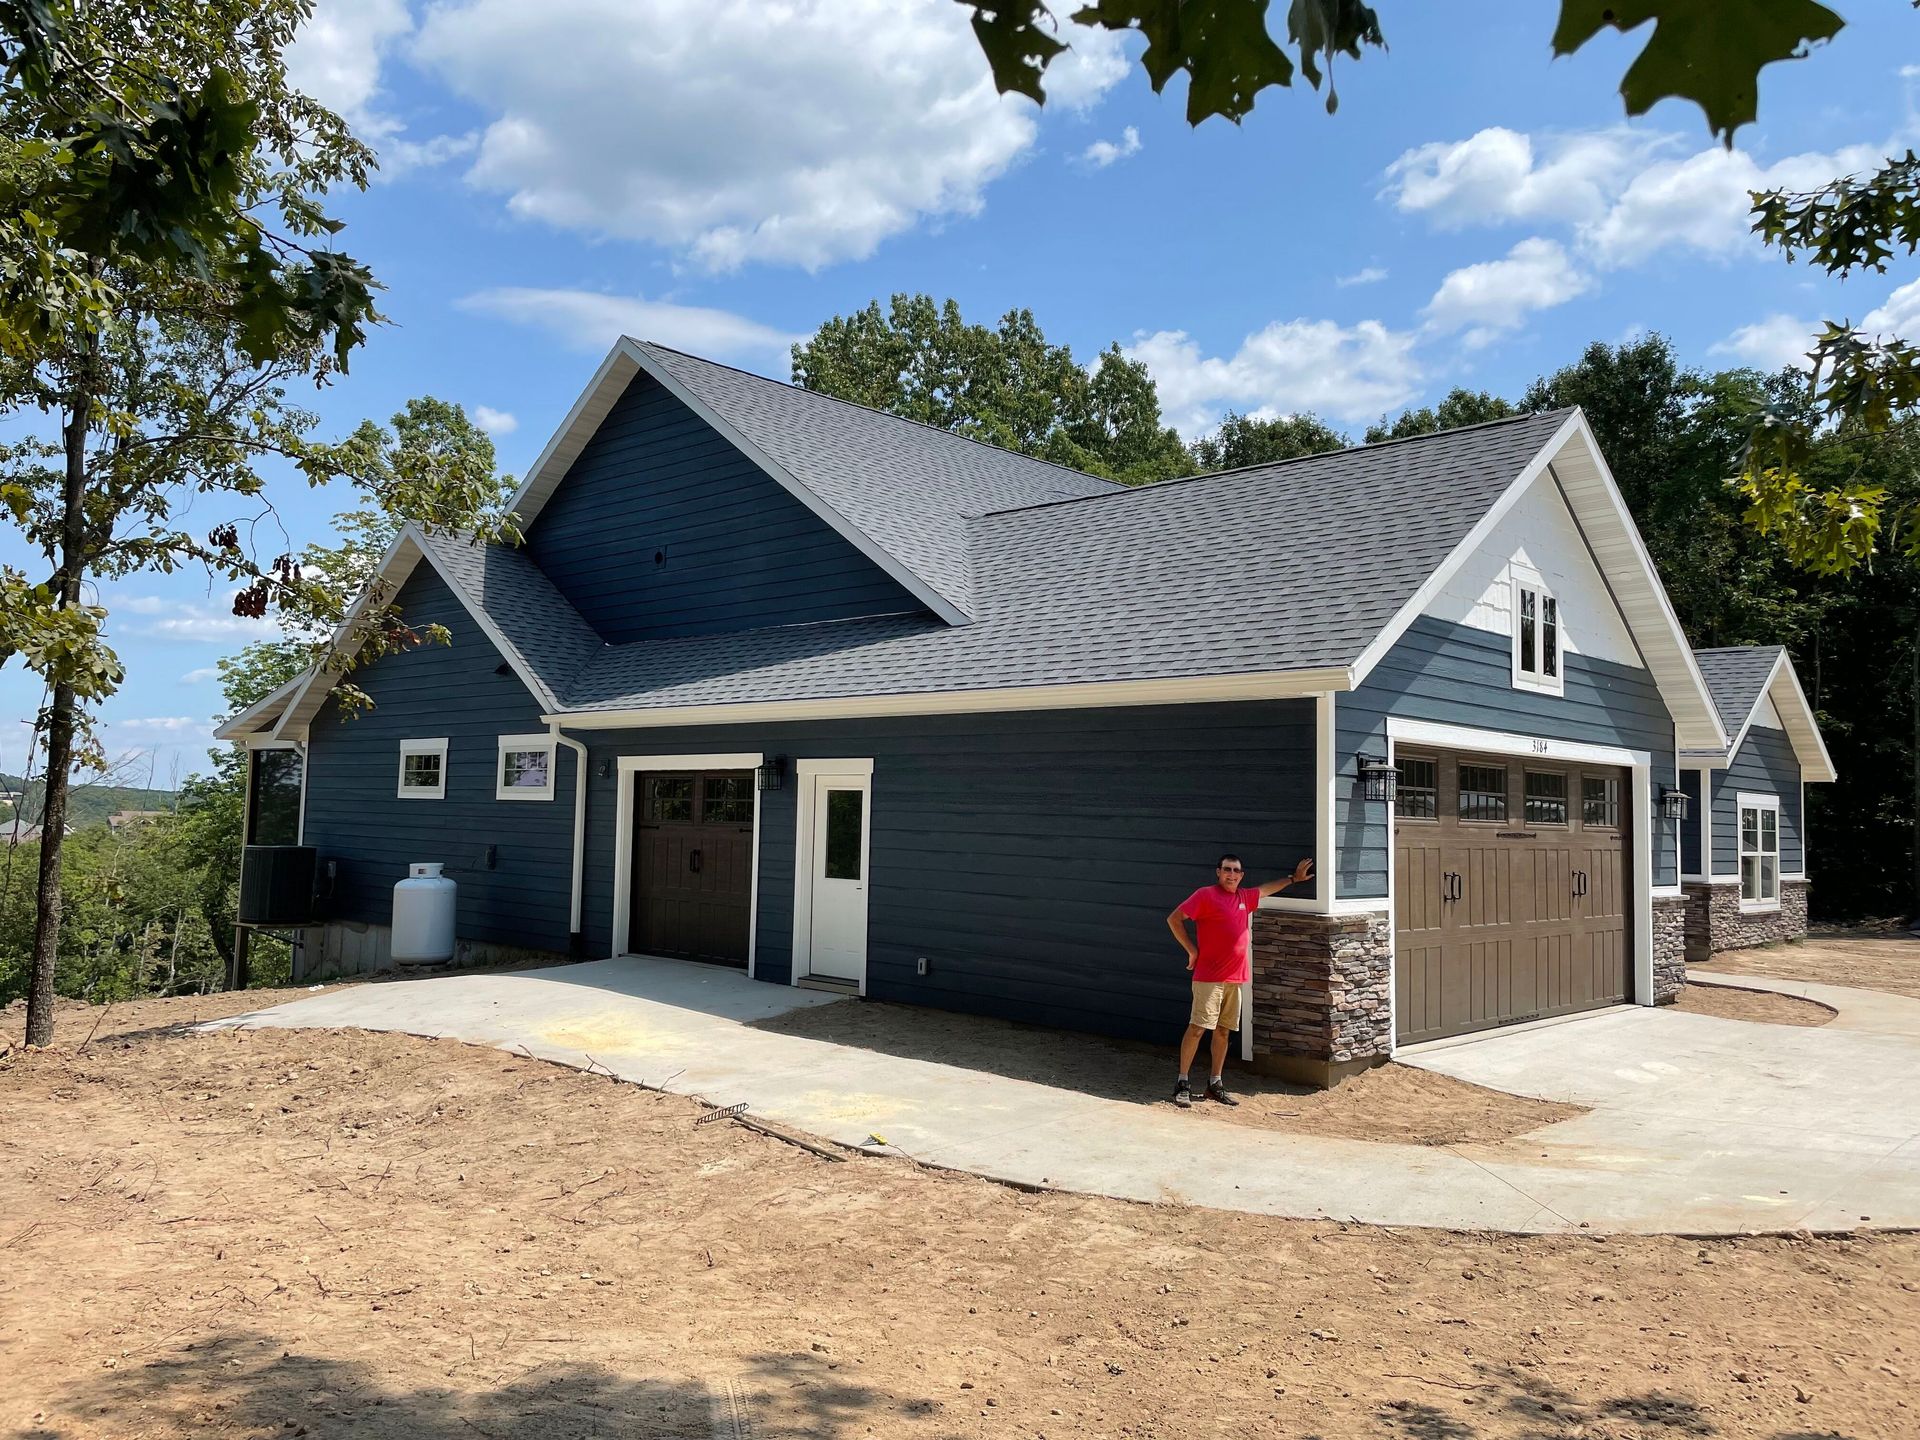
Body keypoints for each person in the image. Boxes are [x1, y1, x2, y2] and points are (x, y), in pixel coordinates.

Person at [1166, 854, 1314, 1108]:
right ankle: (1182, 1083)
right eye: (1227, 869)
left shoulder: (1245, 897)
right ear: (1218, 872)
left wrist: (1293, 879)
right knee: (1198, 1028)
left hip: (1235, 978)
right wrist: (1192, 950)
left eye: (1236, 871)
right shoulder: (1205, 895)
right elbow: (1174, 918)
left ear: (1241, 875)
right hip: (1209, 977)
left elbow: (1266, 889)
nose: (1231, 874)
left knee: (1223, 1031)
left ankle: (1215, 1084)